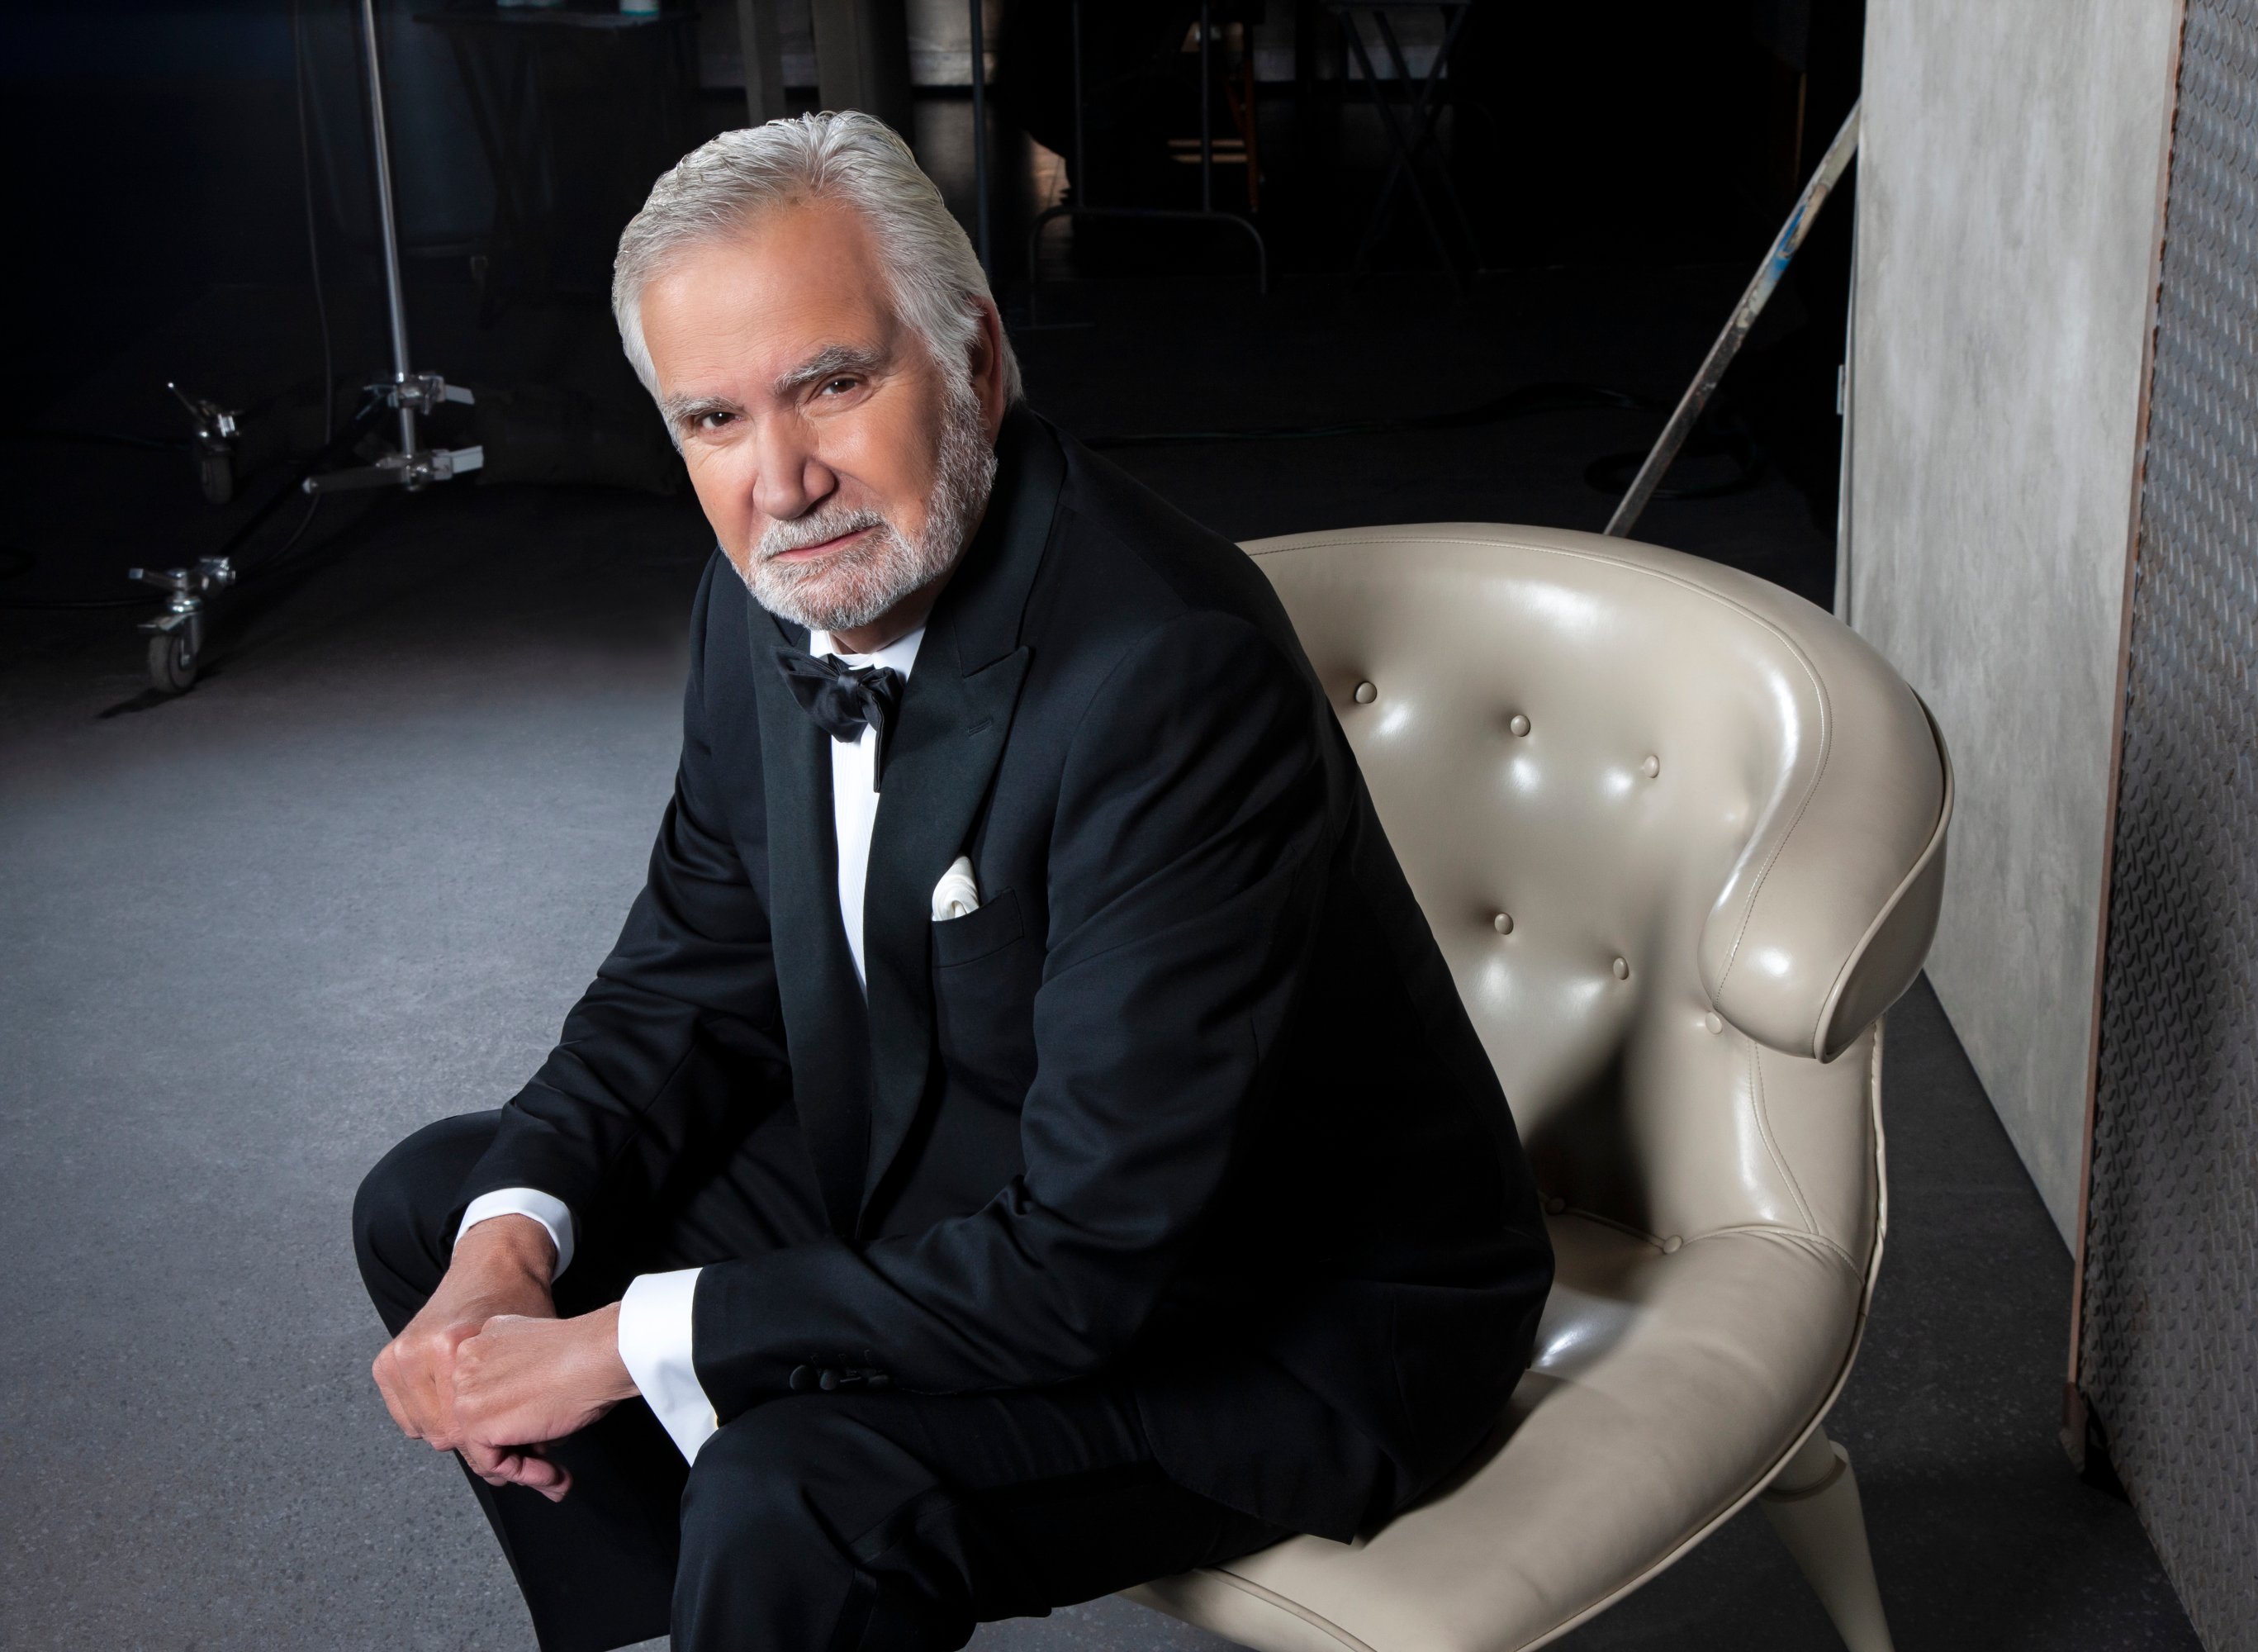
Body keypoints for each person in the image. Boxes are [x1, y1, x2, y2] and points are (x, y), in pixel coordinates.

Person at [353, 110, 1551, 1652]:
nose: (781, 483)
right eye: (713, 420)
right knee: (446, 1207)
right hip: (960, 1154)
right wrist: (507, 1258)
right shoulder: (766, 602)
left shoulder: (1169, 677)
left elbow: (1093, 1261)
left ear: (975, 363)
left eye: (831, 386)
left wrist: (618, 1346)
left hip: (1268, 1303)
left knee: (801, 1491)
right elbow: (686, 982)